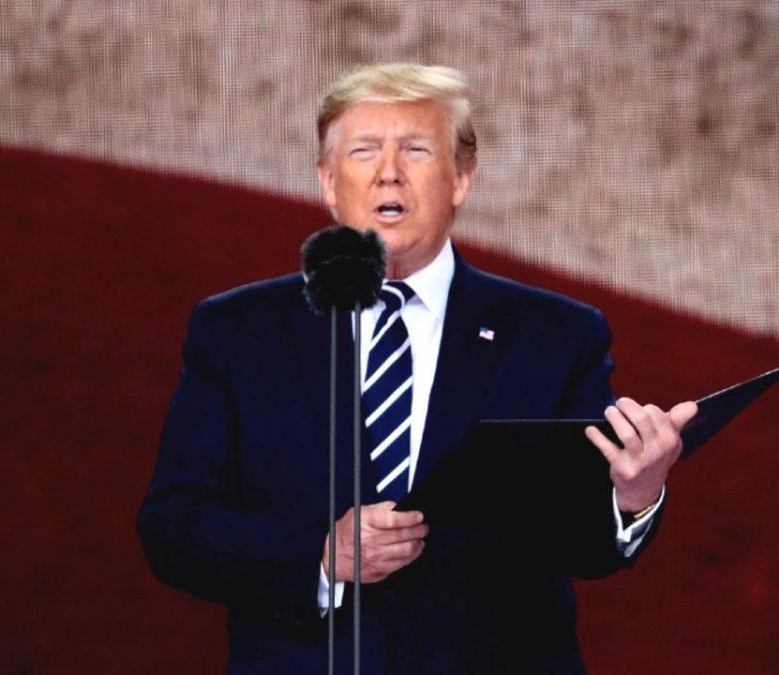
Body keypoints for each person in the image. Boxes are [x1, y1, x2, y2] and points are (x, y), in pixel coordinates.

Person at [137, 63, 697, 675]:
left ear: (460, 179)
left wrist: (634, 495)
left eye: (416, 149)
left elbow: (581, 543)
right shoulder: (238, 332)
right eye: (364, 150)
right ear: (328, 181)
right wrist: (322, 556)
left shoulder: (557, 336)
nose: (388, 171)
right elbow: (174, 527)